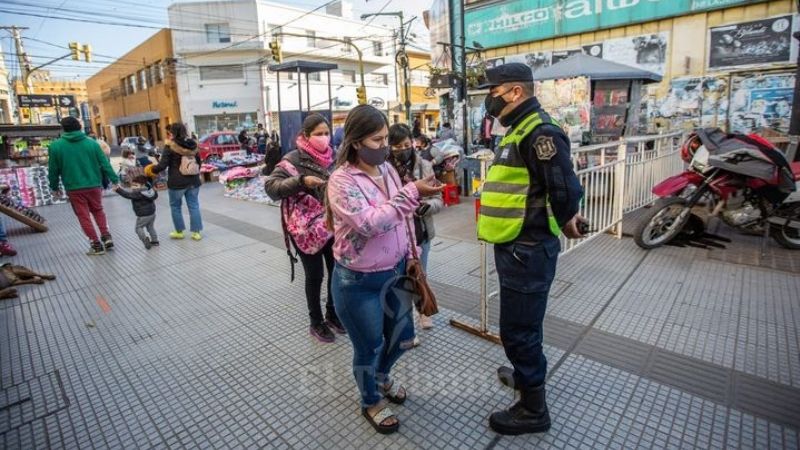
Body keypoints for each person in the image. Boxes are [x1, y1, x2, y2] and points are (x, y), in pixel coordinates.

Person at [476, 63, 584, 435]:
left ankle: (533, 410)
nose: (488, 99)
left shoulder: (539, 132)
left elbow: (565, 188)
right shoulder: (519, 129)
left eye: (493, 91)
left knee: (519, 330)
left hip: (527, 248)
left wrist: (568, 215)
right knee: (518, 324)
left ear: (515, 92)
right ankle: (525, 379)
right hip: (516, 245)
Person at [327, 105, 443, 435]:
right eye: (377, 140)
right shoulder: (341, 181)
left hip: (396, 272)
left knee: (403, 338)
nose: (385, 146)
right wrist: (412, 192)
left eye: (385, 138)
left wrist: (412, 253)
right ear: (355, 141)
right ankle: (371, 400)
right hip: (357, 282)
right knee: (370, 346)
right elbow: (369, 224)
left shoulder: (389, 171)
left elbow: (404, 218)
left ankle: (380, 378)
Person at [265, 114, 345, 343]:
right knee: (315, 275)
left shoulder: (335, 157)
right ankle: (316, 322)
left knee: (336, 271)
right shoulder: (292, 160)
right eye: (318, 134)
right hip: (304, 230)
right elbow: (271, 187)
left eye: (326, 133)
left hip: (331, 224)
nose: (323, 138)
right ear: (305, 136)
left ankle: (332, 313)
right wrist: (301, 181)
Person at [387, 123, 443, 336]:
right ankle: (406, 323)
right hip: (394, 234)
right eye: (397, 146)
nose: (403, 149)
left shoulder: (424, 166)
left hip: (420, 232)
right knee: (400, 280)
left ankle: (423, 309)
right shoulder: (384, 169)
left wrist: (427, 207)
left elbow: (438, 198)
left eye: (407, 144)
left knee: (419, 273)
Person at [48, 116, 119, 255]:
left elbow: (53, 170)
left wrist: (54, 187)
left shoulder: (55, 146)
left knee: (83, 215)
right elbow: (105, 163)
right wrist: (115, 179)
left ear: (63, 129)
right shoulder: (92, 143)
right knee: (98, 210)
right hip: (93, 184)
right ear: (79, 127)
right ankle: (106, 236)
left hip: (73, 187)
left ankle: (96, 244)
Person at [145, 123, 204, 241]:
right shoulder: (193, 145)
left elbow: (162, 165)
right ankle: (196, 233)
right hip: (193, 181)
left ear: (173, 133)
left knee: (176, 207)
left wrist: (150, 169)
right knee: (194, 206)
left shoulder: (170, 146)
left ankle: (179, 232)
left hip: (177, 183)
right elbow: (199, 162)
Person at [114, 175, 159, 249]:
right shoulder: (149, 191)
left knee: (138, 228)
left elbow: (127, 195)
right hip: (152, 213)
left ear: (142, 185)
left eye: (136, 185)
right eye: (132, 185)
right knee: (150, 227)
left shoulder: (138, 193)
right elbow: (155, 195)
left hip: (143, 215)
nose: (133, 187)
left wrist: (118, 190)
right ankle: (155, 241)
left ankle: (145, 240)